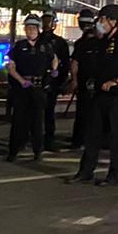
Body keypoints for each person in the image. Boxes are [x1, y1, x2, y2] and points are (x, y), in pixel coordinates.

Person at [69, 3, 118, 187]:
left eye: (103, 19)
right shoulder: (99, 41)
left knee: (117, 138)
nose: (99, 23)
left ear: (113, 21)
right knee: (92, 135)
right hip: (99, 94)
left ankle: (114, 175)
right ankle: (85, 172)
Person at [4, 13, 57, 162]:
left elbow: (54, 59)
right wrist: (21, 80)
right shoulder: (19, 46)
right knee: (19, 120)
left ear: (38, 29)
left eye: (33, 28)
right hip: (22, 87)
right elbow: (11, 67)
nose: (30, 30)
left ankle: (37, 150)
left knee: (37, 121)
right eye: (28, 28)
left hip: (38, 87)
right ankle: (13, 151)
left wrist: (53, 70)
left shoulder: (45, 46)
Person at [67, 8, 100, 148]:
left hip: (87, 81)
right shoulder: (98, 41)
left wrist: (74, 80)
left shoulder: (82, 43)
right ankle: (86, 139)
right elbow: (75, 63)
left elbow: (75, 63)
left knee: (83, 112)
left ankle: (80, 140)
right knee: (91, 113)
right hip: (91, 82)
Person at [39, 14, 72, 150]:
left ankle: (49, 140)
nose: (47, 24)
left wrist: (61, 82)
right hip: (37, 82)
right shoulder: (36, 39)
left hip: (52, 82)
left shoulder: (59, 42)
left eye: (49, 21)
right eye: (45, 21)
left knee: (49, 113)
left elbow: (65, 64)